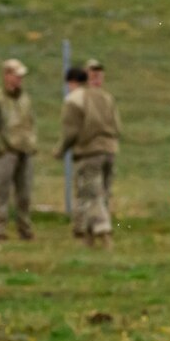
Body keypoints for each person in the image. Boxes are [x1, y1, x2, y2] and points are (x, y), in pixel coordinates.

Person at [59, 60, 121, 246]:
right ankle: (88, 235)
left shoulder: (77, 98)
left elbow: (71, 130)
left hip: (89, 152)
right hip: (109, 150)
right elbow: (118, 126)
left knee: (91, 194)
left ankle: (103, 231)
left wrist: (60, 150)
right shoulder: (108, 98)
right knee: (102, 193)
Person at [0, 58, 35, 241]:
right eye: (16, 76)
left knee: (24, 193)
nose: (20, 80)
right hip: (7, 152)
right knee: (2, 192)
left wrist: (31, 143)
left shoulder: (25, 98)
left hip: (25, 150)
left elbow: (30, 122)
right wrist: (1, 149)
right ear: (7, 75)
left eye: (21, 76)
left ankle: (25, 228)